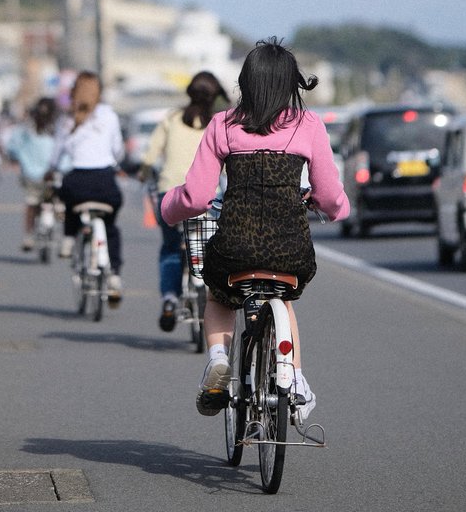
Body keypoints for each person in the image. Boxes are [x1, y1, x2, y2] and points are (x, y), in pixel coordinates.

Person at [161, 38, 349, 421]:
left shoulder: (223, 124)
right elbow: (330, 195)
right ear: (289, 84)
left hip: (235, 248)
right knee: (285, 299)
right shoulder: (308, 125)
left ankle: (217, 359)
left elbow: (197, 197)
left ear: (245, 82)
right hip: (290, 249)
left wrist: (169, 206)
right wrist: (336, 208)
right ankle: (293, 378)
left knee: (218, 296)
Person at [140, 71, 229, 331]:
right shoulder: (218, 124)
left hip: (170, 196)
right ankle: (208, 292)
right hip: (207, 200)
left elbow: (150, 155)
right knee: (209, 248)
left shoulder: (172, 119)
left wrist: (144, 172)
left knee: (170, 248)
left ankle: (169, 298)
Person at [48, 70, 125, 303]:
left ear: (74, 92)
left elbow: (56, 156)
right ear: (98, 92)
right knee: (111, 228)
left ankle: (70, 237)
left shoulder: (67, 119)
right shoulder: (109, 116)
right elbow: (118, 151)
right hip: (105, 182)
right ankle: (113, 276)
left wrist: (50, 170)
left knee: (69, 199)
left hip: (77, 181)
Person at [7, 96, 60, 251]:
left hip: (37, 173)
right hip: (43, 173)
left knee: (33, 203)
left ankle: (29, 235)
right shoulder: (53, 128)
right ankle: (31, 235)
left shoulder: (30, 127)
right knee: (40, 202)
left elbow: (13, 146)